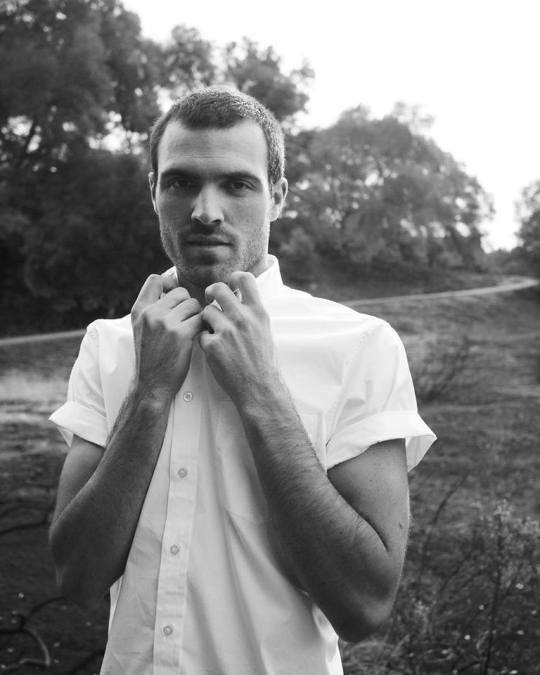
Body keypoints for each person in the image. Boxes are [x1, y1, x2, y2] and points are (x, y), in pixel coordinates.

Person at [49, 86, 436, 675]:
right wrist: (148, 393)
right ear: (154, 191)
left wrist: (261, 391)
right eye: (181, 182)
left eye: (237, 184)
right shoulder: (111, 344)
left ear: (277, 196)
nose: (206, 210)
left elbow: (365, 605)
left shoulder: (360, 346)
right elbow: (76, 578)